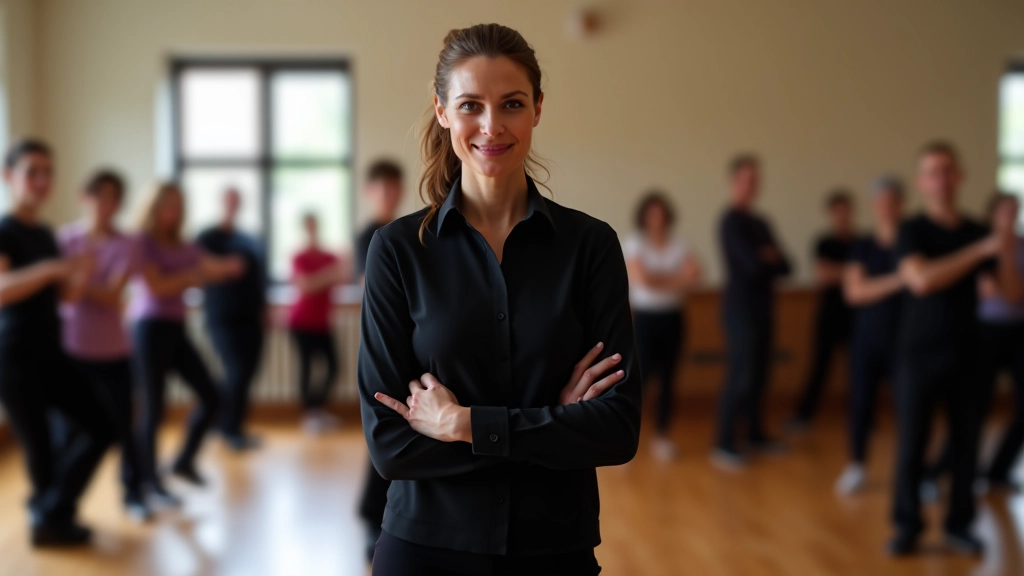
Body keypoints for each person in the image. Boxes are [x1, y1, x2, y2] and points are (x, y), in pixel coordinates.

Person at [359, 24, 640, 575]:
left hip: (554, 547)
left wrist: (464, 424)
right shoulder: (396, 251)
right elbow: (391, 446)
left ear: (537, 108)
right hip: (424, 548)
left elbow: (616, 429)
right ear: (442, 112)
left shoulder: (591, 247)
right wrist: (553, 422)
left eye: (511, 103)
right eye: (471, 105)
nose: (492, 126)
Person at [888, 142, 1022, 556]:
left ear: (959, 176)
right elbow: (922, 280)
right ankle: (907, 525)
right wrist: (981, 251)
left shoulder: (979, 231)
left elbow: (1013, 294)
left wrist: (1002, 250)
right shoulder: (912, 230)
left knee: (966, 446)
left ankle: (959, 524)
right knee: (912, 443)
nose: (942, 180)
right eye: (932, 172)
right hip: (918, 353)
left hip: (970, 352)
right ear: (921, 182)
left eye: (948, 171)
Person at [0, 139, 115, 546]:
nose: (42, 180)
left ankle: (49, 512)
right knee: (41, 449)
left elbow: (64, 298)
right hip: (13, 356)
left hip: (51, 350)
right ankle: (53, 521)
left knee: (102, 425)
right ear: (9, 176)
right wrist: (52, 268)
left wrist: (79, 273)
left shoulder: (45, 231)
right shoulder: (4, 229)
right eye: (32, 172)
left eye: (48, 172)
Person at [129, 182, 243, 505]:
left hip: (176, 329)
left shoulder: (184, 244)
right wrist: (192, 276)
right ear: (153, 207)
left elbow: (211, 268)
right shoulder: (142, 241)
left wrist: (228, 266)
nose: (174, 211)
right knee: (152, 409)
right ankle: (150, 483)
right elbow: (155, 287)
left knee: (213, 396)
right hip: (148, 328)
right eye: (168, 204)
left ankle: (183, 461)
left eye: (179, 205)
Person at [58, 169, 150, 521]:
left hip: (114, 351)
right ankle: (65, 504)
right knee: (70, 432)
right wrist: (83, 282)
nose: (106, 205)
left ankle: (134, 494)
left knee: (125, 428)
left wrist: (82, 278)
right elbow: (66, 295)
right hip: (72, 350)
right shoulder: (64, 239)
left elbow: (114, 296)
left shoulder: (127, 243)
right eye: (100, 196)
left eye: (114, 198)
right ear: (84, 197)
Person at [924, 192, 1024, 494]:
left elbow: (1011, 293)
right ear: (992, 214)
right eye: (1003, 212)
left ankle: (997, 471)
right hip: (983, 332)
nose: (1009, 218)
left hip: (1018, 332)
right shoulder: (979, 245)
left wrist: (1006, 258)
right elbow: (1002, 292)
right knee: (972, 411)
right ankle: (937, 472)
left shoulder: (1018, 247)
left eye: (1014, 212)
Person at [714, 154, 791, 470]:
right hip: (740, 311)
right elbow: (752, 266)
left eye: (755, 180)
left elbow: (787, 266)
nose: (751, 185)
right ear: (734, 183)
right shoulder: (730, 221)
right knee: (741, 375)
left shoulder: (761, 222)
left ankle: (756, 434)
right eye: (746, 179)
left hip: (764, 309)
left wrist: (768, 258)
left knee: (760, 375)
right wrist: (766, 258)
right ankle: (724, 443)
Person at [834, 176, 905, 495]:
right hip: (867, 339)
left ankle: (914, 471)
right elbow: (854, 292)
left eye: (893, 201)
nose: (887, 208)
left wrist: (878, 285)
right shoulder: (862, 245)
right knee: (861, 404)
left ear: (901, 204)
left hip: (906, 340)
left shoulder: (912, 241)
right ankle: (857, 465)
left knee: (910, 409)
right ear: (875, 206)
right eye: (881, 202)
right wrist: (900, 280)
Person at [623, 191, 701, 461]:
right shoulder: (635, 243)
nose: (657, 219)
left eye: (661, 214)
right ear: (644, 217)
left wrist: (662, 279)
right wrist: (676, 278)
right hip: (644, 319)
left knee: (669, 379)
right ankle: (625, 438)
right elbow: (642, 279)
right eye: (651, 214)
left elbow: (695, 274)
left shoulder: (679, 243)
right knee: (640, 381)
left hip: (673, 319)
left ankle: (662, 437)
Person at [354, 159, 405, 562]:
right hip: (383, 346)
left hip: (406, 345)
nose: (389, 195)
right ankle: (373, 517)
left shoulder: (406, 232)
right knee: (385, 429)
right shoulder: (369, 237)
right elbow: (372, 288)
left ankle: (381, 513)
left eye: (394, 187)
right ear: (370, 191)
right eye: (382, 188)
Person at [196, 187, 267, 452]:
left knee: (246, 374)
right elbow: (198, 267)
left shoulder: (249, 238)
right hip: (222, 318)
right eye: (229, 200)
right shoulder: (206, 237)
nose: (233, 205)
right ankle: (229, 428)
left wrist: (264, 308)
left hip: (252, 318)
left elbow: (259, 277)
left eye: (237, 201)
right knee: (236, 373)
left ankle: (230, 424)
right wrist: (226, 267)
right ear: (221, 202)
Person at [790, 190, 855, 430]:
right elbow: (823, 275)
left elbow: (867, 274)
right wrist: (851, 272)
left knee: (857, 371)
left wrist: (839, 271)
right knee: (819, 367)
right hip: (828, 313)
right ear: (831, 214)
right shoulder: (823, 242)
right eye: (837, 211)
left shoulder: (861, 241)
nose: (842, 215)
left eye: (846, 210)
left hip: (856, 316)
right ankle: (804, 416)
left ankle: (860, 416)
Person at [288, 213, 345, 434]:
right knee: (306, 368)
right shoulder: (299, 256)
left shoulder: (329, 256)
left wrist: (322, 277)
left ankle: (318, 410)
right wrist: (329, 275)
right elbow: (306, 286)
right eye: (308, 225)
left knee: (333, 366)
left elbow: (341, 276)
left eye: (315, 225)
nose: (312, 228)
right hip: (300, 322)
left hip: (323, 323)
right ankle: (309, 415)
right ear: (304, 228)